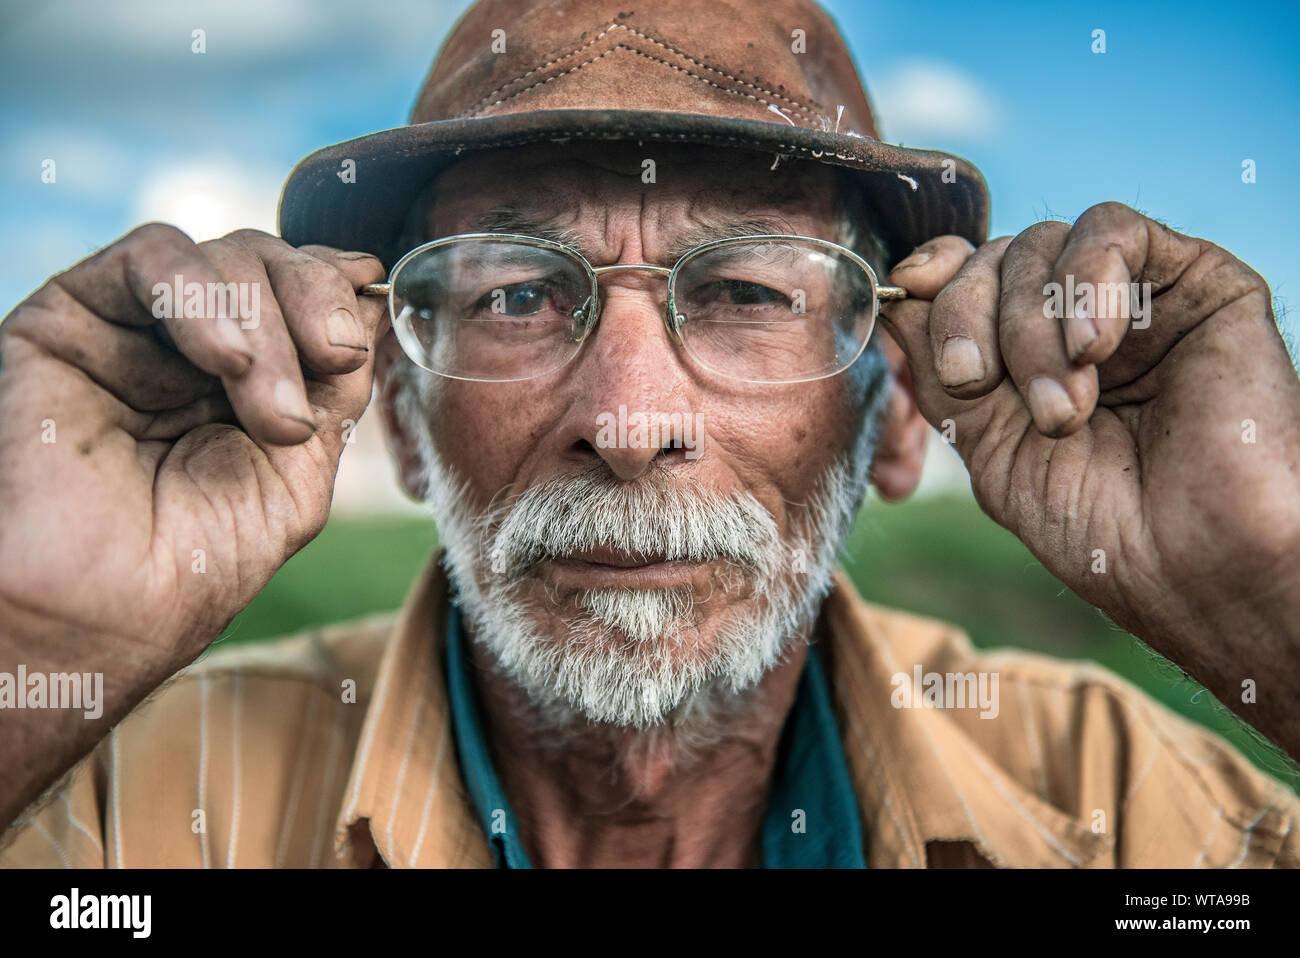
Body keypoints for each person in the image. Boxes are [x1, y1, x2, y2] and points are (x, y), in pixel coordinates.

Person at [2, 0, 1297, 869]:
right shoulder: (142, 823)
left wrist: (1274, 589)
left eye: (746, 292)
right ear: (398, 410)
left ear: (898, 406)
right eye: (515, 292)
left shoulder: (1125, 822)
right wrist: (25, 638)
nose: (627, 421)